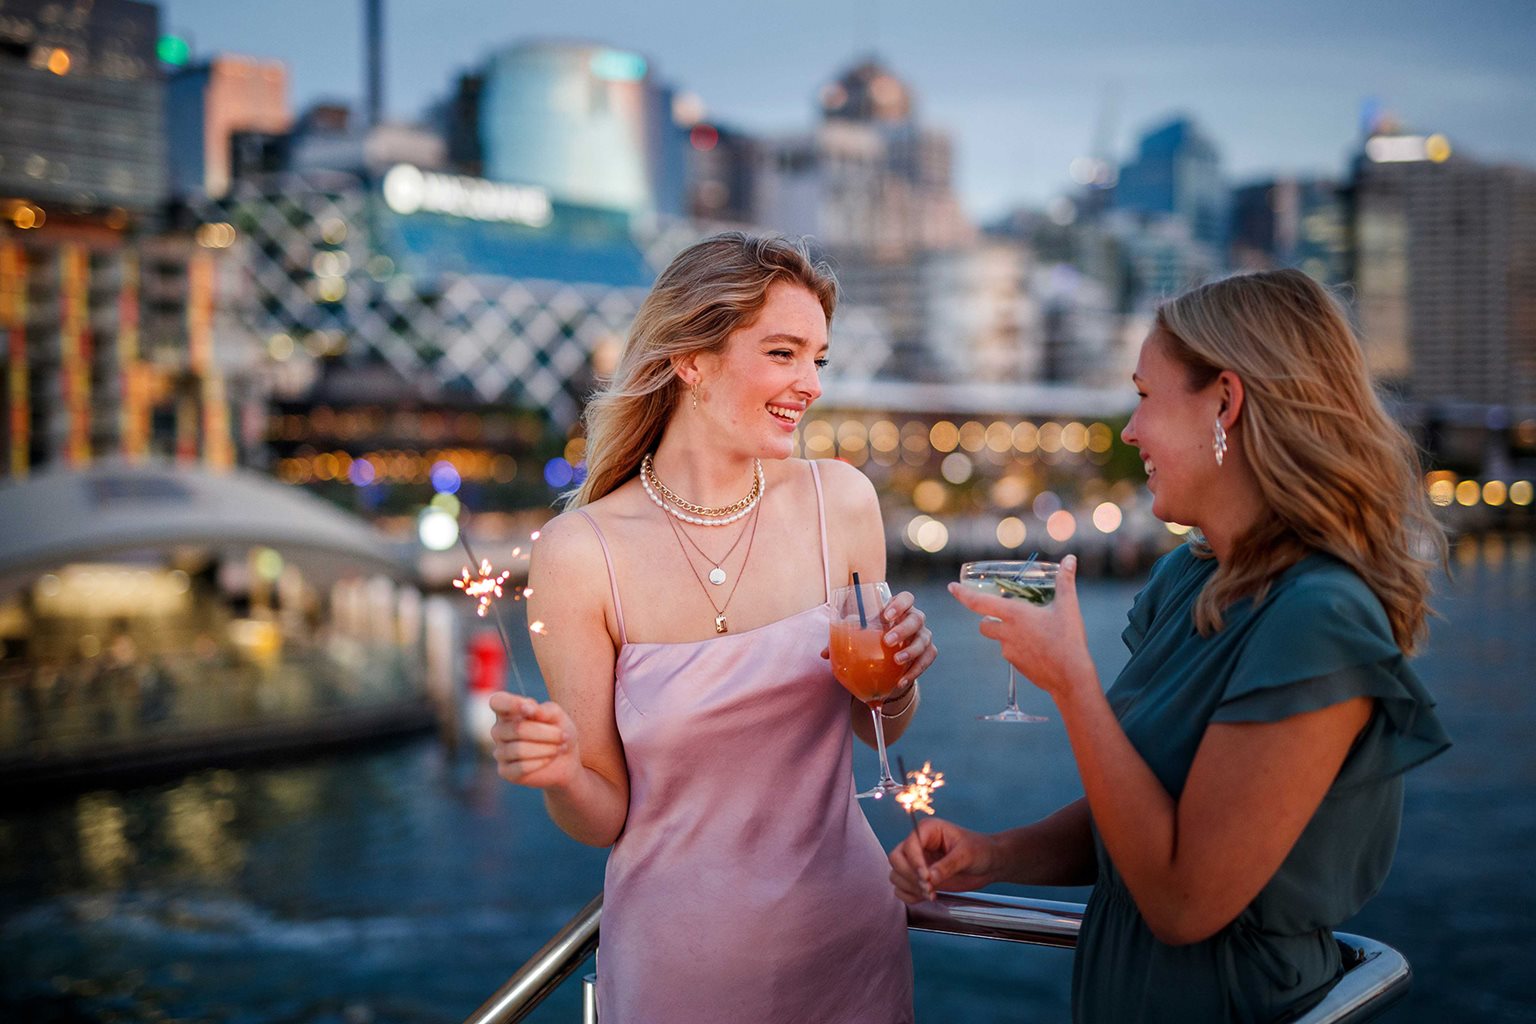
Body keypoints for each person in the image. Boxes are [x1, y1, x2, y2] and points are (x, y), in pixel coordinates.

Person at [888, 269, 1452, 1023]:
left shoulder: (1320, 618)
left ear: (1225, 401)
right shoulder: (1190, 582)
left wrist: (1073, 683)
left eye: (1146, 397)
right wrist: (994, 857)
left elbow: (1185, 901)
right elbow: (1143, 814)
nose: (1129, 430)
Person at [490, 232, 935, 1023]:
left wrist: (898, 684)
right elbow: (604, 815)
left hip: (851, 952)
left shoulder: (843, 502)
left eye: (818, 360)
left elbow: (882, 732)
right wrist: (558, 771)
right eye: (783, 353)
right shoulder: (578, 554)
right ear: (691, 360)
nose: (810, 384)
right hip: (679, 974)